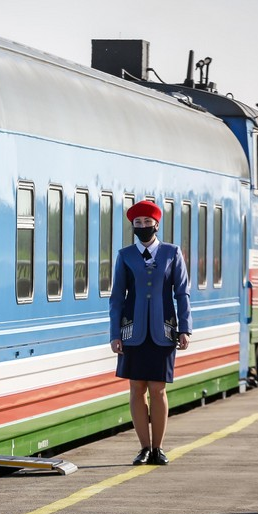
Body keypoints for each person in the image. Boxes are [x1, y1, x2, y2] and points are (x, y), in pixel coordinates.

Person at [109, 200, 192, 466]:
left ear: (157, 224)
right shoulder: (125, 256)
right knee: (136, 389)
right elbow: (116, 299)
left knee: (158, 390)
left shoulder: (172, 253)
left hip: (163, 331)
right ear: (133, 226)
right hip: (133, 331)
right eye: (138, 223)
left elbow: (182, 293)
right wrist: (115, 334)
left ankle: (158, 448)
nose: (143, 227)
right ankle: (144, 448)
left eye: (147, 222)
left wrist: (185, 328)